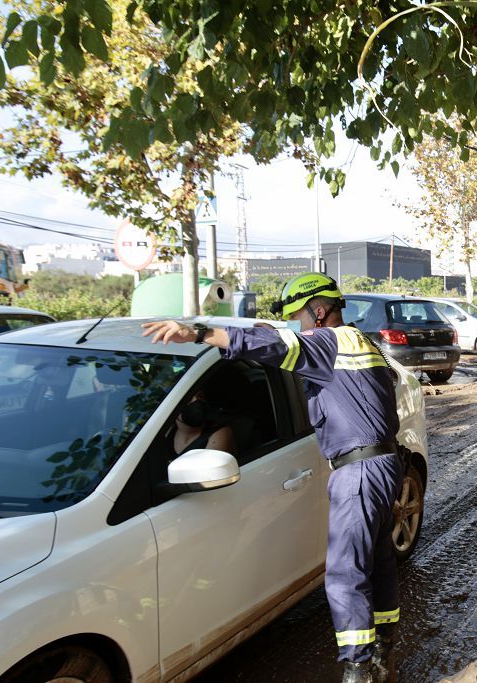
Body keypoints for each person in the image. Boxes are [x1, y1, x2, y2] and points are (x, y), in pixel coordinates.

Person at [141, 273, 403, 683]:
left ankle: (359, 668)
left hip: (359, 470)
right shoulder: (360, 342)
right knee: (379, 560)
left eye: (299, 316)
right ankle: (385, 646)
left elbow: (275, 346)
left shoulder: (327, 344)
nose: (298, 325)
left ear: (319, 310)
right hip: (383, 462)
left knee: (344, 572)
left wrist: (196, 331)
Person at [172, 388, 236, 458]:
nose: (196, 400)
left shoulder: (219, 433)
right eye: (188, 398)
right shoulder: (167, 430)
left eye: (200, 396)